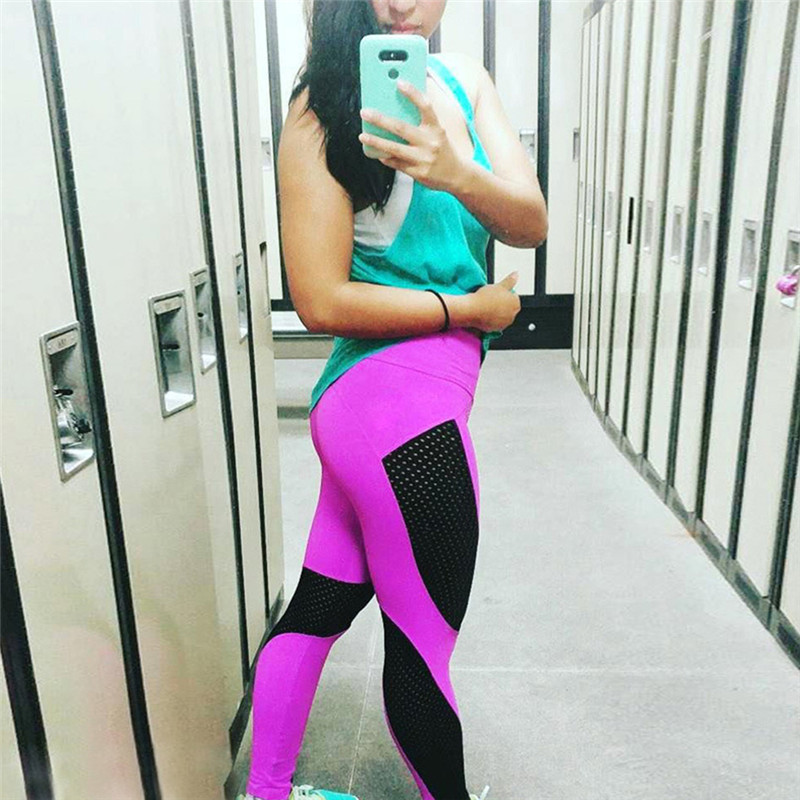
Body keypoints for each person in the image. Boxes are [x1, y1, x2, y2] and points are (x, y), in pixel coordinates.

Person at [240, 1, 547, 798]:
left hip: (383, 414)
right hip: (400, 416)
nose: (405, 3)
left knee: (318, 606)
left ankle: (268, 793)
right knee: (423, 646)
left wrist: (455, 172)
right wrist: (468, 310)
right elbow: (320, 300)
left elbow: (531, 223)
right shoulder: (319, 113)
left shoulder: (466, 82)